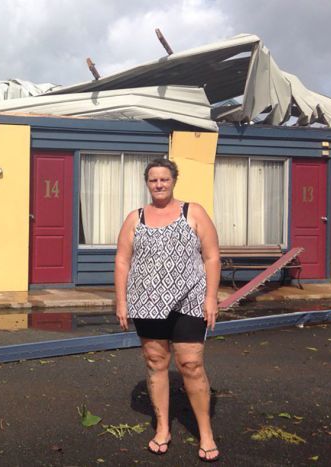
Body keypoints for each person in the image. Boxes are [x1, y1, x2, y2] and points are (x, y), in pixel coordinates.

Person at [114, 158, 221, 462]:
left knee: (191, 365)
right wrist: (121, 301)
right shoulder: (135, 218)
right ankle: (162, 427)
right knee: (155, 361)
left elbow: (212, 257)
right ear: (147, 183)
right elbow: (122, 260)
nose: (159, 185)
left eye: (164, 179)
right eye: (153, 180)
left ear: (174, 181)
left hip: (189, 301)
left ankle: (205, 433)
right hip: (146, 301)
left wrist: (211, 298)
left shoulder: (193, 212)